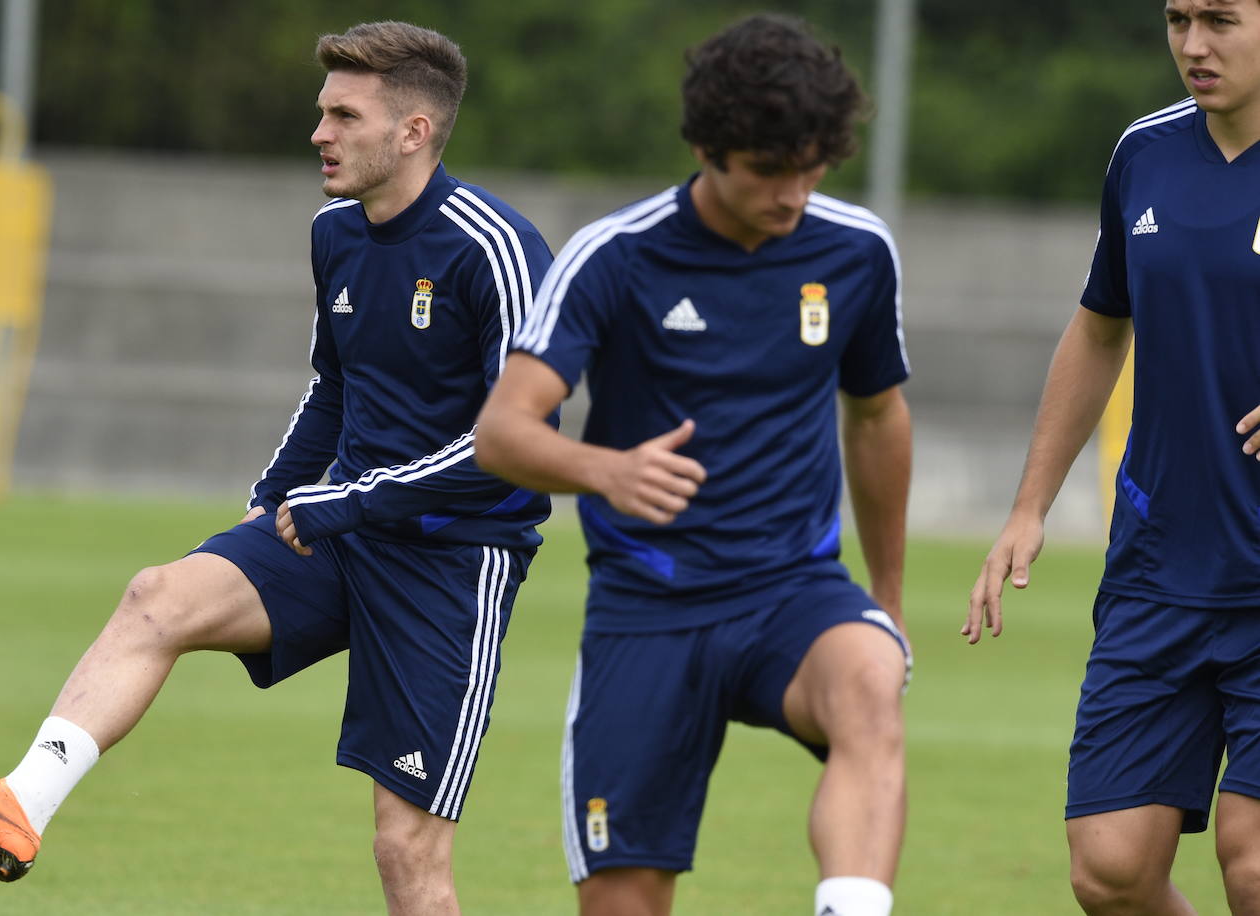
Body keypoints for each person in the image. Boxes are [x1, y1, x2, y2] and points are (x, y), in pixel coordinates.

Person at [0, 21, 553, 914]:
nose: (318, 133)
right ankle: (17, 804)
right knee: (157, 597)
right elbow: (332, 389)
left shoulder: (494, 248)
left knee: (405, 855)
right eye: (322, 112)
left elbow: (517, 443)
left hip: (451, 561)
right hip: (333, 530)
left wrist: (348, 501)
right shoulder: (335, 235)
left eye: (343, 115)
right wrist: (270, 502)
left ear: (413, 132)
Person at [474, 15, 912, 916]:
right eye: (766, 170)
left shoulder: (856, 251)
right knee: (626, 899)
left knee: (869, 679)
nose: (793, 193)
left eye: (811, 166)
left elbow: (876, 418)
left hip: (794, 591)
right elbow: (503, 432)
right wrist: (605, 470)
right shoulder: (616, 255)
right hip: (649, 607)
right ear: (709, 150)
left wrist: (888, 601)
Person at [965, 2, 1260, 913]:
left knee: (1254, 864)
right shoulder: (1144, 152)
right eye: (1178, 19)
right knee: (1111, 872)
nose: (1193, 46)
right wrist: (1028, 507)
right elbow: (1099, 329)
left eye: (1221, 20)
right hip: (1160, 567)